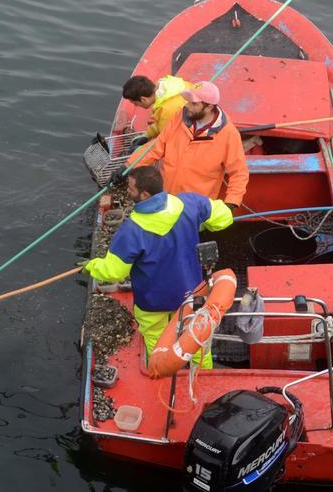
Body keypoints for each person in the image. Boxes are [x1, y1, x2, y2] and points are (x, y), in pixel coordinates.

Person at [81, 165, 234, 369]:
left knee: (156, 340)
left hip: (154, 300)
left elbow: (114, 271)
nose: (127, 191)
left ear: (144, 194)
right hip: (192, 292)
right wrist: (202, 224)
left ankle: (160, 377)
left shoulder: (131, 231)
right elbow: (224, 218)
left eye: (131, 188)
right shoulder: (189, 203)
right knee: (196, 338)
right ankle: (203, 378)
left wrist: (91, 266)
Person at [131, 80, 248, 209]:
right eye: (188, 101)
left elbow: (239, 173)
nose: (187, 106)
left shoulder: (229, 134)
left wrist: (231, 203)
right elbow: (157, 146)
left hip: (194, 208)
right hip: (166, 198)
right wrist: (130, 165)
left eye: (194, 104)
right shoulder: (180, 116)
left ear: (209, 107)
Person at [121, 74, 191, 142]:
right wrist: (148, 134)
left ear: (143, 100)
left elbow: (165, 139)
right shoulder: (171, 86)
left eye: (135, 103)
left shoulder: (166, 109)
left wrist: (142, 149)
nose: (136, 106)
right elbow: (162, 123)